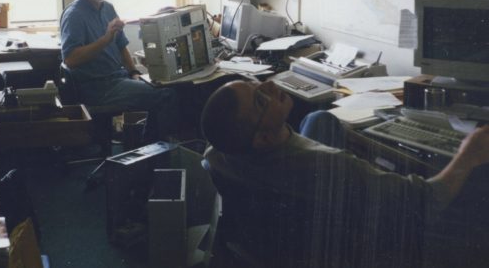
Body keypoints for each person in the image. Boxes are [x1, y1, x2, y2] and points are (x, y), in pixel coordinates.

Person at [201, 79, 489, 268]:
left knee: (320, 119)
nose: (271, 86)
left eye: (257, 84)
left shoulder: (216, 156)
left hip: (272, 245)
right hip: (345, 248)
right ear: (262, 139)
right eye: (261, 100)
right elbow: (425, 200)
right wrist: (468, 154)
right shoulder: (333, 167)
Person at [60, 0, 179, 142]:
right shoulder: (74, 15)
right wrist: (105, 39)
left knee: (171, 87)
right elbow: (71, 59)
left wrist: (133, 72)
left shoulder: (108, 8)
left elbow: (121, 45)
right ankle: (154, 151)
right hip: (98, 88)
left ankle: (150, 147)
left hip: (119, 79)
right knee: (166, 96)